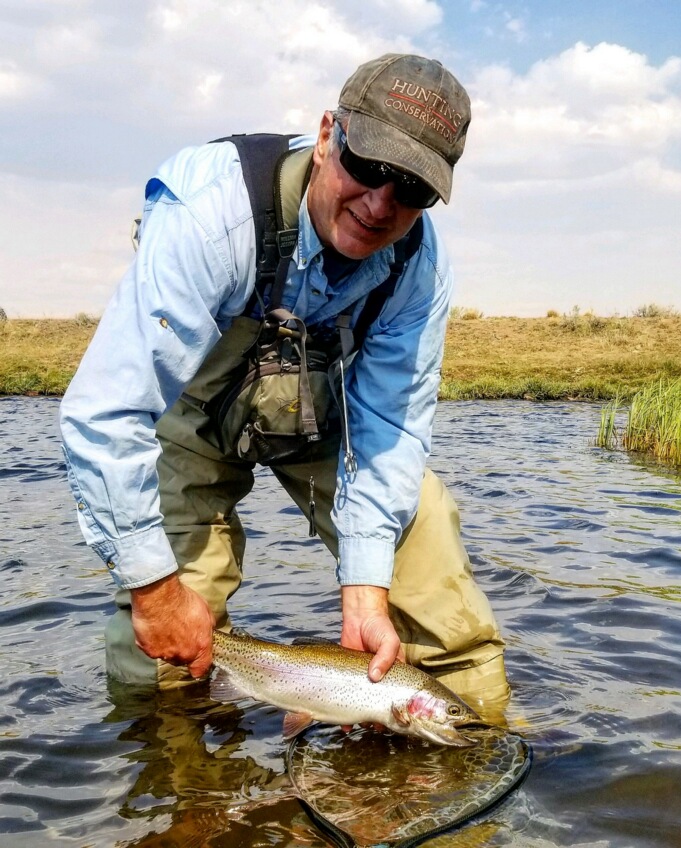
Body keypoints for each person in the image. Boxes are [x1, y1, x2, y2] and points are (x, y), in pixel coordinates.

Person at [58, 53, 509, 712]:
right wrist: (156, 590)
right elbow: (108, 413)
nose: (381, 204)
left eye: (410, 189)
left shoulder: (417, 264)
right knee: (159, 650)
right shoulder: (213, 213)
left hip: (328, 425)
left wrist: (365, 588)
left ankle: (475, 756)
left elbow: (388, 428)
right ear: (329, 136)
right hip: (190, 426)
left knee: (428, 543)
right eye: (369, 168)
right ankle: (177, 801)